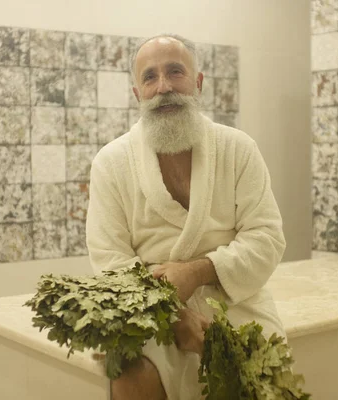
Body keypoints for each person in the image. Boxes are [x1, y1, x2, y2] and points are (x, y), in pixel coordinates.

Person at [86, 33, 287, 400]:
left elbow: (267, 238)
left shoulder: (238, 150)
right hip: (146, 309)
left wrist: (197, 272)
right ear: (137, 95)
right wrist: (172, 316)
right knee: (130, 373)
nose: (163, 87)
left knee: (257, 369)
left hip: (233, 303)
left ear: (197, 83)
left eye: (175, 72)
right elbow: (110, 262)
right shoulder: (111, 163)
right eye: (150, 77)